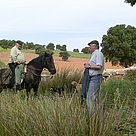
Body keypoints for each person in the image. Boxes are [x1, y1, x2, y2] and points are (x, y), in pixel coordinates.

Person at [84, 40, 104, 114]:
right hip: (94, 78)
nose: (89, 47)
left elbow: (99, 66)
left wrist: (88, 66)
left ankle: (92, 119)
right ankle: (99, 118)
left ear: (95, 46)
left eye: (90, 46)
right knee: (96, 99)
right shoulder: (95, 54)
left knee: (90, 99)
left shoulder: (98, 54)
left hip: (95, 78)